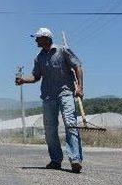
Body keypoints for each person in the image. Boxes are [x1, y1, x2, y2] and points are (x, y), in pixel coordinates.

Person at [15, 27, 84, 173]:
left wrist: (80, 88)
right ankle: (55, 160)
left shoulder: (62, 50)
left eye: (38, 38)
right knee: (50, 130)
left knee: (70, 124)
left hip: (65, 93)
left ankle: (75, 159)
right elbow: (36, 77)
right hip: (48, 96)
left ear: (46, 38)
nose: (36, 41)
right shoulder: (39, 58)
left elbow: (77, 66)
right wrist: (23, 80)